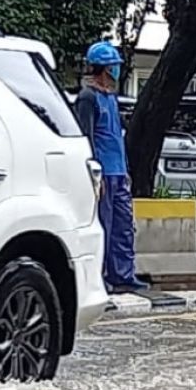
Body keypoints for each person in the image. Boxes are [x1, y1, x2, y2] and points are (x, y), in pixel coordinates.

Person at [74, 41, 147, 293]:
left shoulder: (111, 98)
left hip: (118, 171)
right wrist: (95, 174)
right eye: (114, 66)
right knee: (103, 226)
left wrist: (125, 170)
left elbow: (116, 137)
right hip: (102, 173)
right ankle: (100, 277)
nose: (116, 70)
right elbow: (88, 137)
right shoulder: (88, 97)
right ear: (105, 68)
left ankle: (123, 274)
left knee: (123, 226)